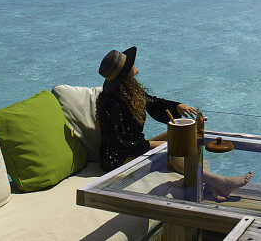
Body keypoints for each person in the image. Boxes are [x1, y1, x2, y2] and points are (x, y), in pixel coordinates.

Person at [96, 47, 252, 202]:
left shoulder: (130, 91)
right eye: (130, 63)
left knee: (187, 135)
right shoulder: (108, 103)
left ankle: (212, 185)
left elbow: (153, 103)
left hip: (136, 146)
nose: (134, 62)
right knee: (176, 150)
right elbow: (119, 144)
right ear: (124, 73)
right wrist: (156, 145)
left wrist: (178, 106)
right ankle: (219, 181)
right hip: (118, 158)